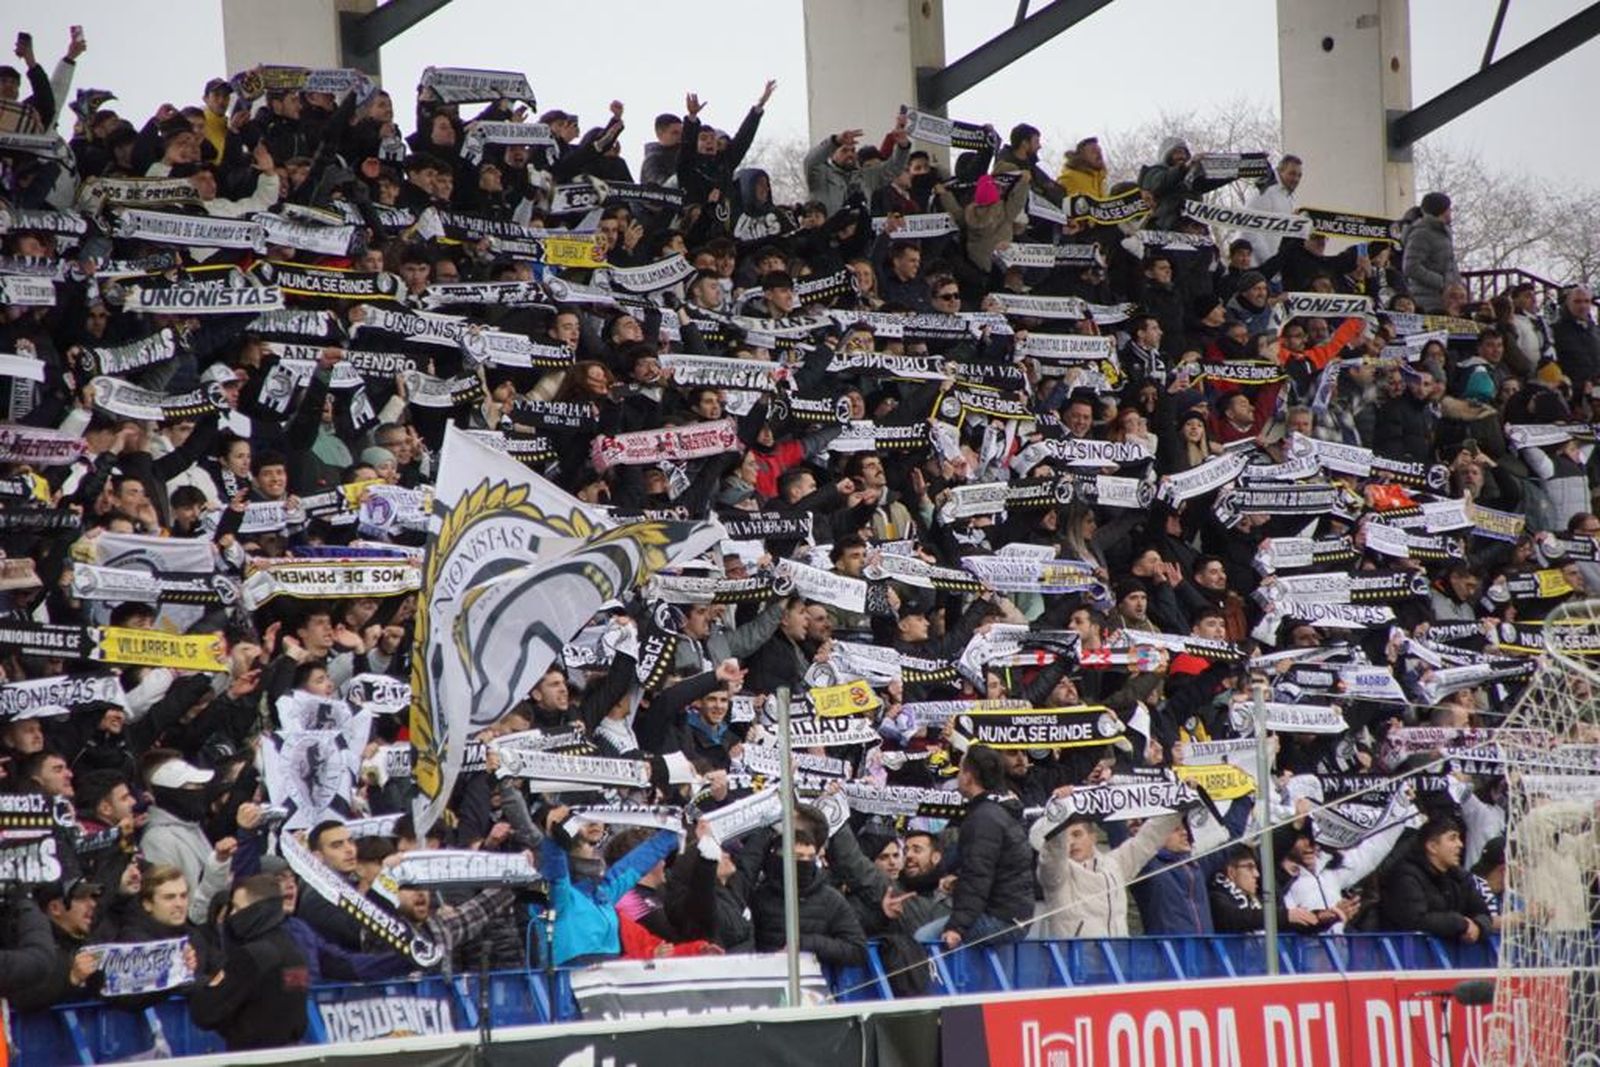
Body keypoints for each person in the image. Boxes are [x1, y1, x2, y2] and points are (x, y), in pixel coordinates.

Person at [925, 746, 1035, 948]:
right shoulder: (996, 811)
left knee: (924, 937)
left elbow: (977, 877)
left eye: (960, 770)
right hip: (1014, 915)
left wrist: (957, 928)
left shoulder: (984, 818)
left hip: (1002, 920)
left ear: (968, 777)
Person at [189, 874, 310, 1051]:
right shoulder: (294, 951)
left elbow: (208, 1011)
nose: (231, 916)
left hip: (252, 1054)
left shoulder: (252, 956)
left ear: (256, 911)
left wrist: (196, 981)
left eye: (237, 909)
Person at [1379, 817, 1493, 943]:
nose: (1460, 844)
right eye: (1452, 838)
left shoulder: (1460, 877)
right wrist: (1460, 923)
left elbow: (1484, 914)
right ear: (1432, 846)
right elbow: (1414, 920)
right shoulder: (1405, 876)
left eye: (1459, 838)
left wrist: (1478, 927)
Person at [1402, 191, 1462, 313]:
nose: (1451, 212)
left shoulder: (1442, 233)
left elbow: (1449, 264)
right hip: (1428, 302)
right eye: (1449, 208)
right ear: (1443, 210)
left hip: (1445, 300)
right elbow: (1411, 266)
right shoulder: (1422, 233)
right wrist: (1443, 283)